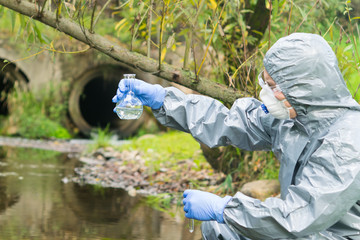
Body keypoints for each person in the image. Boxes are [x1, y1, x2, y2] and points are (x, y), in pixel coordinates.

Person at [112, 33, 360, 239]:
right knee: (221, 228)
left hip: (327, 233)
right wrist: (161, 99)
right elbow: (229, 122)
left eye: (273, 86)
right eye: (266, 83)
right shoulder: (295, 119)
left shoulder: (348, 141)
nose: (267, 94)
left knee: (227, 220)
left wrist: (224, 208)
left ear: (303, 88)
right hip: (307, 230)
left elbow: (299, 216)